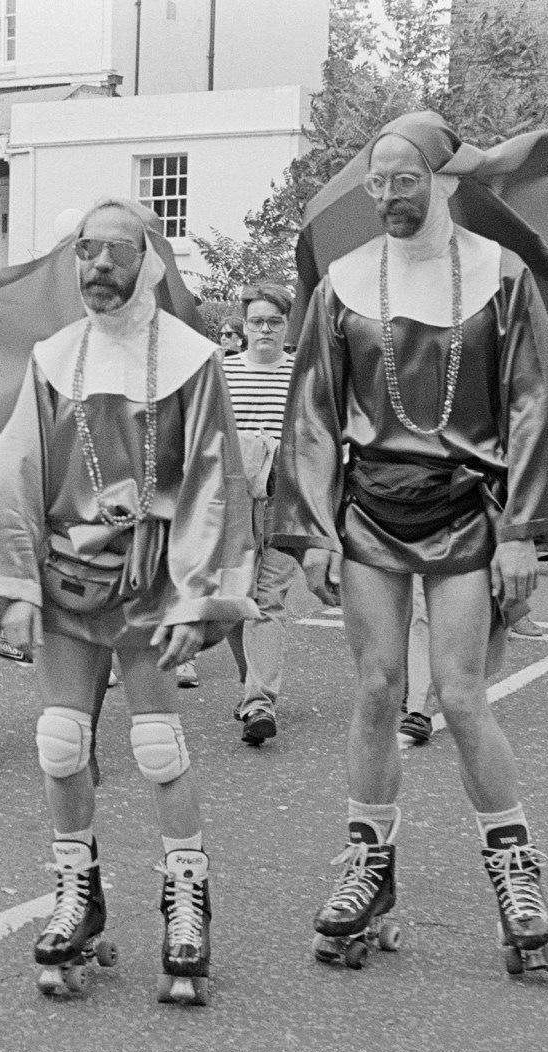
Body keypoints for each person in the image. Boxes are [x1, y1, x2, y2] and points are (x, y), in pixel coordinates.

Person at [270, 111, 548, 977]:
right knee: (378, 687)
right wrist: (309, 531)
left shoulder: (500, 274)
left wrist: (522, 528)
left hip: (468, 507)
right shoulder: (344, 280)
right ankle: (367, 869)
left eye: (403, 179)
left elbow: (533, 398)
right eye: (376, 183)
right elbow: (311, 413)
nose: (388, 195)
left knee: (459, 695)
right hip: (370, 507)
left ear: (441, 180)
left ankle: (517, 875)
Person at [0, 199, 257, 1002]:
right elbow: (19, 470)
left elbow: (216, 478)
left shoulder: (191, 358)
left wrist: (196, 594)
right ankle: (77, 891)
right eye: (85, 251)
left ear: (147, 262)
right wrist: (9, 585)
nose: (98, 266)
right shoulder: (53, 356)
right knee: (59, 740)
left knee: (157, 745)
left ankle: (187, 904)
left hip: (149, 579)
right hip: (69, 578)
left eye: (116, 250)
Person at [219, 282, 300, 745]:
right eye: (257, 321)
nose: (265, 329)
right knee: (236, 602)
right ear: (244, 326)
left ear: (286, 325)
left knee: (267, 600)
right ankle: (251, 682)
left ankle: (259, 702)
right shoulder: (224, 373)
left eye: (274, 321)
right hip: (235, 502)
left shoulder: (302, 374)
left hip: (286, 502)